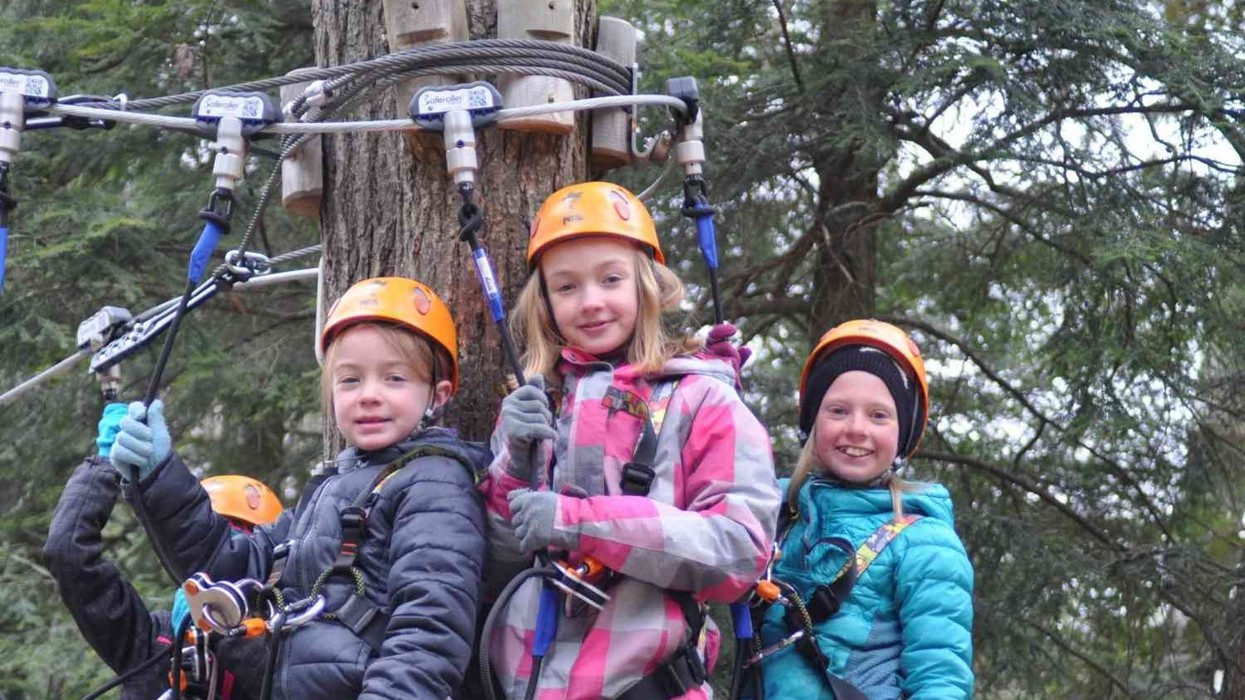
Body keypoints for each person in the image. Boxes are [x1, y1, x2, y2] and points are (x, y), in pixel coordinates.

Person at [107, 276, 491, 699]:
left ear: (438, 395)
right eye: (349, 380)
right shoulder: (335, 485)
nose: (369, 395)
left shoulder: (434, 483)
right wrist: (160, 478)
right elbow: (235, 563)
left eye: (394, 379)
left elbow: (428, 630)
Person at [480, 182, 781, 699]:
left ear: (646, 285)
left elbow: (739, 550)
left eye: (611, 279)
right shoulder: (538, 402)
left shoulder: (701, 399)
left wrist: (580, 523)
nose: (591, 302)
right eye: (567, 287)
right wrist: (514, 460)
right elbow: (497, 559)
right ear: (545, 302)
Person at [754, 319, 974, 700]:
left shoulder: (926, 544)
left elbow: (940, 681)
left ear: (902, 436)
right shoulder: (776, 515)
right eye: (838, 410)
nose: (857, 429)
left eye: (879, 415)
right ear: (812, 423)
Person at [44, 404, 282, 700]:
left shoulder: (288, 658)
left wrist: (220, 625)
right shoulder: (152, 644)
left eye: (242, 544)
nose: (225, 570)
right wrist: (105, 465)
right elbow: (67, 554)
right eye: (223, 543)